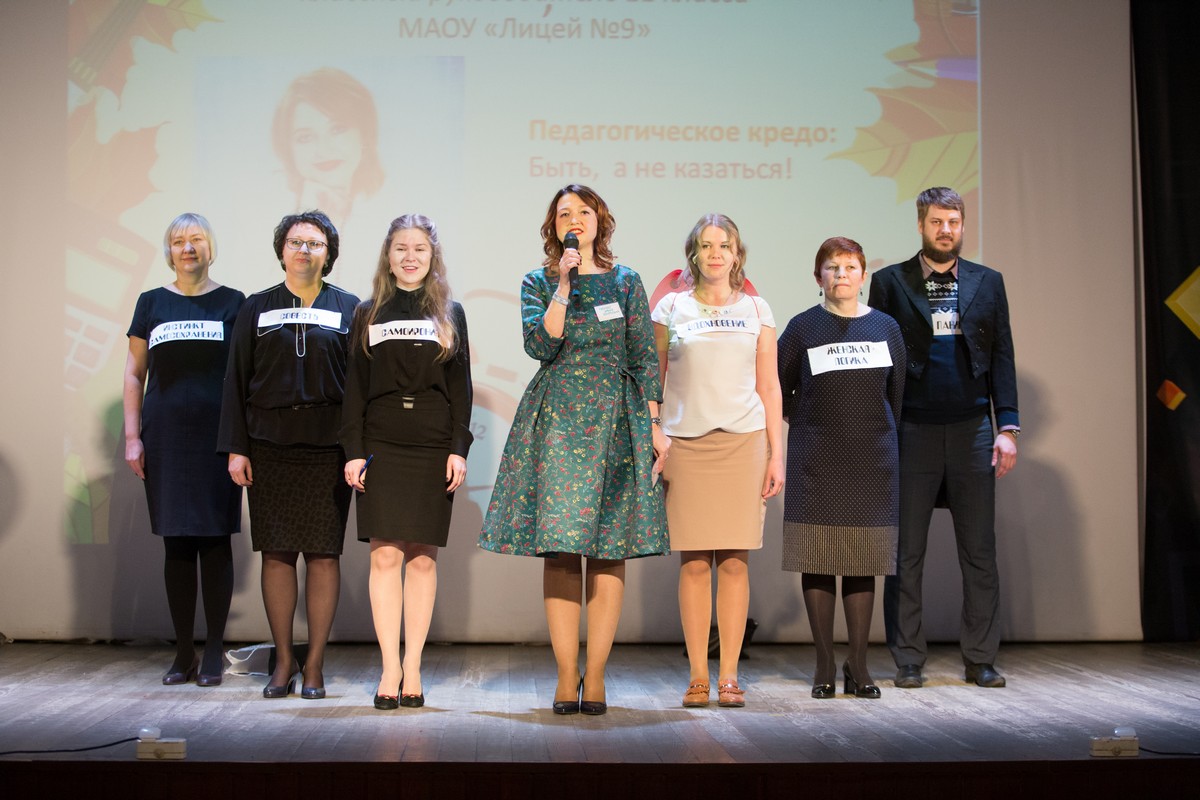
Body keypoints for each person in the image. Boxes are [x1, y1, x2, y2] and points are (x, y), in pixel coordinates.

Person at [479, 184, 669, 716]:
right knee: (562, 549)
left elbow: (642, 355)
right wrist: (563, 284)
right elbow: (540, 345)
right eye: (565, 213)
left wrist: (655, 424)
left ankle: (598, 674)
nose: (575, 219)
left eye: (584, 211)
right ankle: (566, 674)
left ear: (600, 220)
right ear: (554, 226)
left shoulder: (626, 281)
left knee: (609, 548)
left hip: (617, 418)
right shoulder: (538, 280)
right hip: (559, 417)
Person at [871, 187, 1019, 689]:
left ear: (962, 225)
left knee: (979, 552)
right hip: (911, 429)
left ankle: (980, 658)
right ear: (921, 225)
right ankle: (908, 659)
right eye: (936, 221)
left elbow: (1002, 355)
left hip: (973, 428)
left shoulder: (987, 282)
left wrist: (1007, 427)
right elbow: (879, 360)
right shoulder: (890, 282)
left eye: (953, 221)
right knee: (906, 553)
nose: (946, 230)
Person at [217, 210, 359, 699]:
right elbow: (236, 380)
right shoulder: (255, 307)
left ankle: (314, 664)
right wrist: (236, 448)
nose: (304, 250)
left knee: (323, 554)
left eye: (315, 243)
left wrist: (357, 450)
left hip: (329, 448)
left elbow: (359, 388)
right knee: (276, 553)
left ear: (329, 254)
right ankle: (282, 662)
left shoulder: (350, 307)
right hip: (268, 445)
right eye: (296, 242)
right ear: (281, 251)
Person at [340, 214, 473, 711]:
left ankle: (413, 666)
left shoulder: (450, 313)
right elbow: (354, 388)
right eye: (401, 248)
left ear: (432, 255)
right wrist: (354, 452)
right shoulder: (367, 312)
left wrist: (458, 448)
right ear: (388, 255)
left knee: (421, 557)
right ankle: (389, 668)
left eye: (419, 248)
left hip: (433, 444)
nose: (410, 256)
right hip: (382, 441)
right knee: (384, 556)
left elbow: (461, 389)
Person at [651, 214, 784, 709]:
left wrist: (776, 454)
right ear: (693, 254)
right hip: (685, 444)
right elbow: (653, 378)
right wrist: (655, 429)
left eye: (723, 245)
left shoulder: (756, 308)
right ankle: (697, 676)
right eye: (705, 246)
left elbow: (769, 386)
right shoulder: (671, 307)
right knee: (693, 564)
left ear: (736, 254)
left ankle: (729, 675)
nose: (714, 254)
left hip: (743, 443)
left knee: (733, 562)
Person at [777, 237, 906, 699]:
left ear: (863, 275)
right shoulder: (802, 327)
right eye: (832, 267)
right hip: (816, 458)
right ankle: (824, 664)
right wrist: (807, 420)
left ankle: (859, 664)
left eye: (850, 267)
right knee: (817, 558)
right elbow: (777, 388)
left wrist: (875, 431)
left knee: (862, 561)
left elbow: (897, 394)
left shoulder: (886, 327)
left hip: (872, 460)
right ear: (819, 277)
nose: (842, 275)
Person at [124, 213, 245, 686]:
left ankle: (213, 650)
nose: (187, 247)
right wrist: (133, 437)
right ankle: (183, 653)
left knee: (215, 540)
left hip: (217, 438)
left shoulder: (233, 302)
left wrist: (240, 441)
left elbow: (241, 378)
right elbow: (134, 374)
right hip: (165, 437)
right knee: (176, 542)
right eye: (178, 241)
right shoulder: (150, 302)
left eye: (196, 239)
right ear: (169, 251)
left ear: (210, 248)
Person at [272, 68, 384, 227]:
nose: (323, 150)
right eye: (305, 137)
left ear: (364, 134)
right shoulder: (269, 210)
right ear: (289, 151)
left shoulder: (391, 210)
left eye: (337, 129)